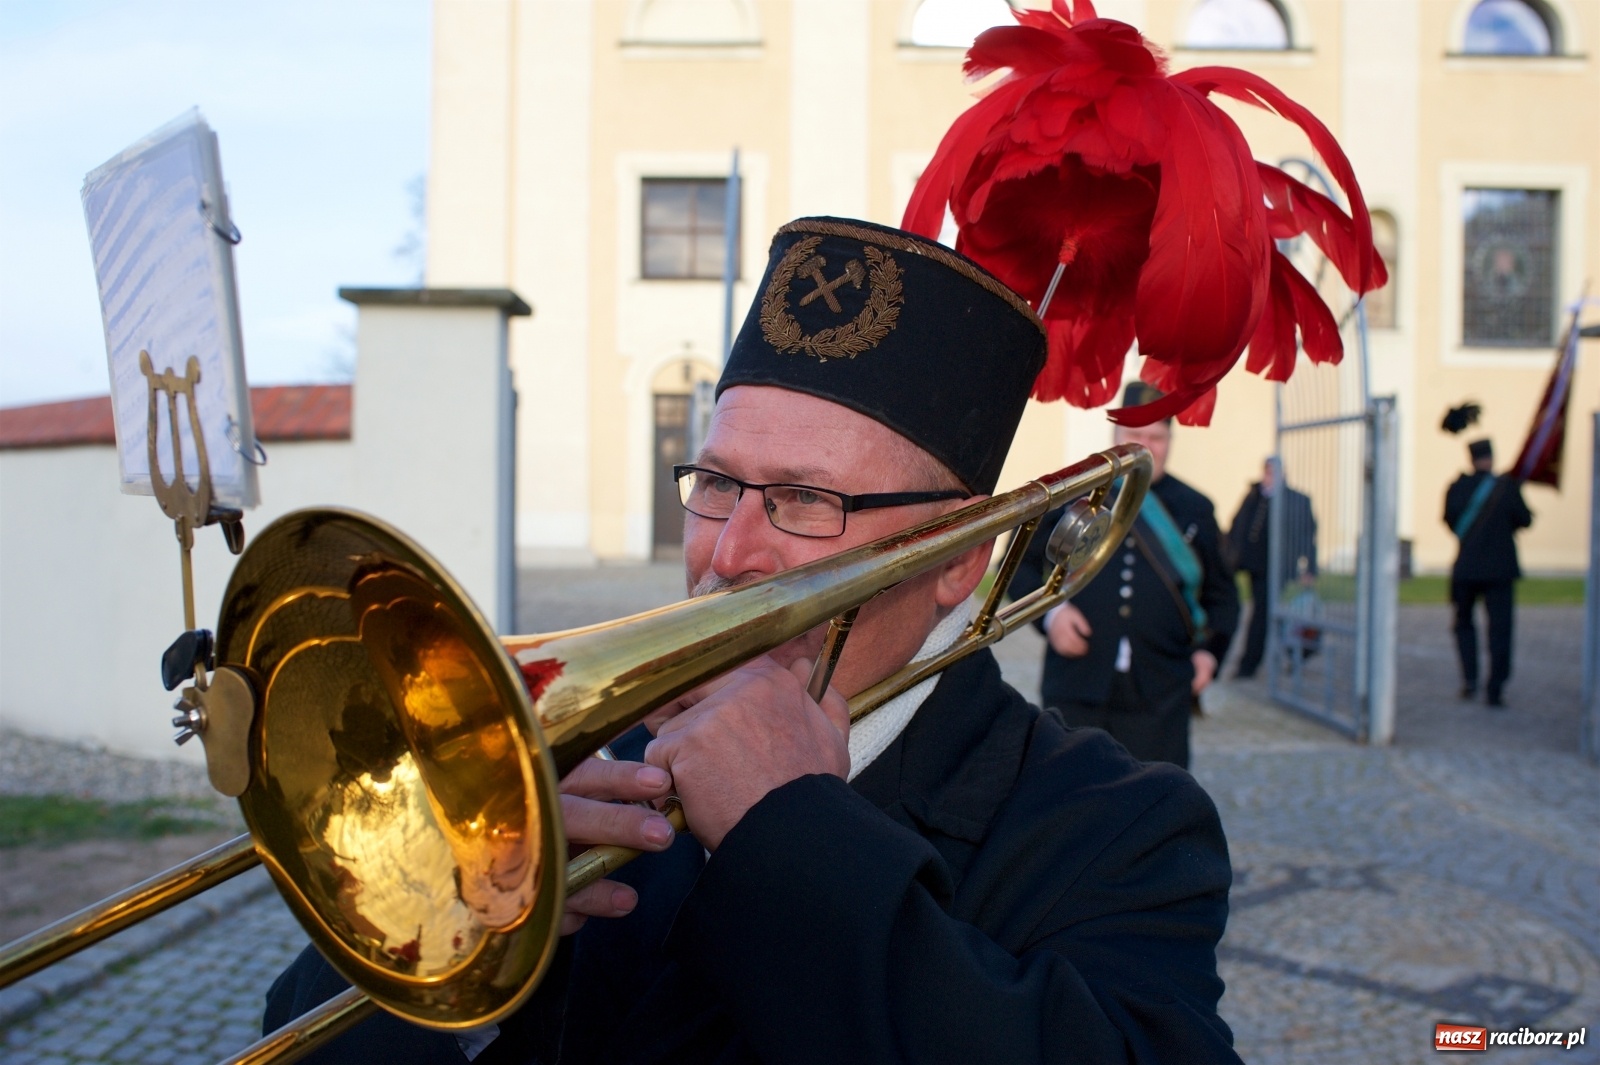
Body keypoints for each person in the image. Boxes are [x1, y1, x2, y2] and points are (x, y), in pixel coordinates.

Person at [262, 219, 1239, 1062]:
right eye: (719, 485)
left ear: (958, 559)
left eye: (808, 500)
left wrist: (789, 833)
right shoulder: (599, 778)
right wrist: (453, 941)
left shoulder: (1120, 828)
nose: (729, 553)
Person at [1007, 384, 1239, 770]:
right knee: (1067, 800)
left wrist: (1208, 654)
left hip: (1162, 691)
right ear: (1115, 437)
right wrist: (1053, 616)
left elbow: (1222, 597)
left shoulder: (1195, 508)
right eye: (1134, 435)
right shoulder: (1078, 492)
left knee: (1154, 808)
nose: (1145, 446)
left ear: (1170, 439)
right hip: (1077, 683)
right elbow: (1017, 565)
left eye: (1156, 437)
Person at [1444, 438, 1533, 708]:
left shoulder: (1458, 488)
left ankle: (1470, 680)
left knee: (1464, 625)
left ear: (1472, 460)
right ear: (1491, 458)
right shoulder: (1507, 487)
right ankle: (1496, 687)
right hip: (1500, 570)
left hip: (1467, 568)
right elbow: (1525, 520)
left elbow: (1449, 520)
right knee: (1500, 630)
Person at [1226, 458, 1318, 679]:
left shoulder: (1297, 500)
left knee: (1272, 615)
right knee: (1266, 613)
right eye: (1268, 472)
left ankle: (1256, 662)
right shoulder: (1254, 496)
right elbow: (1238, 526)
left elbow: (1307, 535)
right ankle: (1264, 660)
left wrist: (1309, 568)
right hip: (1255, 567)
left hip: (1281, 567)